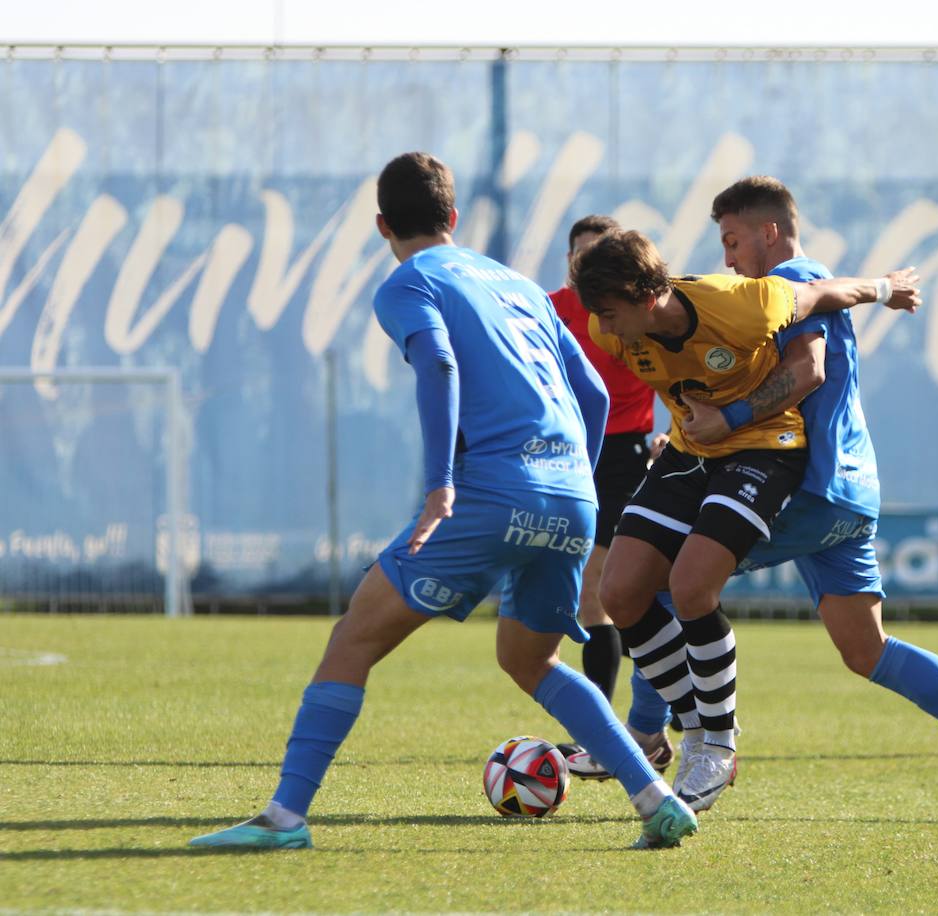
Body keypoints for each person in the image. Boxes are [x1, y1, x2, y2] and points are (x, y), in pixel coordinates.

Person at [189, 152, 696, 851]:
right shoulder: (518, 285)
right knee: (530, 661)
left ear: (381, 225)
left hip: (492, 493)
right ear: (453, 218)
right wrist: (569, 470)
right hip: (572, 497)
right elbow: (597, 396)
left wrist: (439, 487)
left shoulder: (407, 283)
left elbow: (438, 362)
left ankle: (284, 818)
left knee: (352, 639)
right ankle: (655, 798)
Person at [616, 176, 938, 822]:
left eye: (734, 241)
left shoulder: (793, 279)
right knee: (866, 649)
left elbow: (807, 371)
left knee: (660, 578)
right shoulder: (790, 286)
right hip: (849, 491)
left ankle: (648, 739)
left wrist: (727, 421)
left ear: (769, 232)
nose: (729, 258)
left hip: (811, 486)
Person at [570, 228, 919, 813]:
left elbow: (824, 293)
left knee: (691, 587)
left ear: (646, 293)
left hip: (766, 445)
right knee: (620, 591)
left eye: (608, 310)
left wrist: (885, 288)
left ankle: (718, 745)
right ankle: (693, 731)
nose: (602, 324)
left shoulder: (739, 303)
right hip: (691, 450)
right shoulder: (609, 328)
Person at [546, 215, 673, 776]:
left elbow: (680, 363)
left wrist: (677, 429)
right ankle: (622, 728)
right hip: (567, 455)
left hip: (624, 457)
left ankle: (626, 730)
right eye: (581, 257)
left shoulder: (638, 308)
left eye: (600, 254)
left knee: (612, 593)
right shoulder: (550, 307)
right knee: (586, 600)